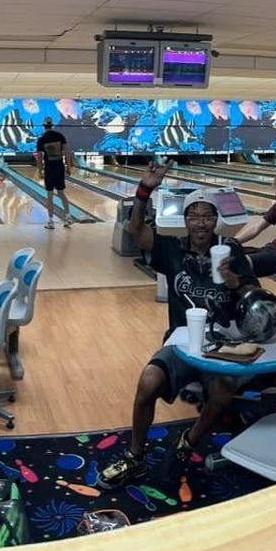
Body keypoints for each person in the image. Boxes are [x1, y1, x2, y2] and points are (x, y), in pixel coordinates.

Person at [99, 161, 254, 488]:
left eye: (207, 216)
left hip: (222, 342)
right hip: (181, 341)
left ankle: (188, 441)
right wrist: (145, 190)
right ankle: (136, 456)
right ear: (185, 220)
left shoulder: (231, 251)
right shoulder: (171, 250)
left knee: (223, 392)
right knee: (147, 383)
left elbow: (253, 297)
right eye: (194, 216)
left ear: (216, 220)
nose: (201, 222)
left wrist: (233, 280)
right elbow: (135, 231)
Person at [33, 119, 71, 230]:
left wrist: (40, 170)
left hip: (49, 169)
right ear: (52, 125)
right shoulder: (60, 136)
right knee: (61, 193)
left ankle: (51, 221)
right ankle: (68, 218)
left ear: (44, 126)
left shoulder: (42, 139)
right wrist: (68, 167)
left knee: (49, 195)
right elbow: (67, 152)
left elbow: (39, 157)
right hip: (59, 167)